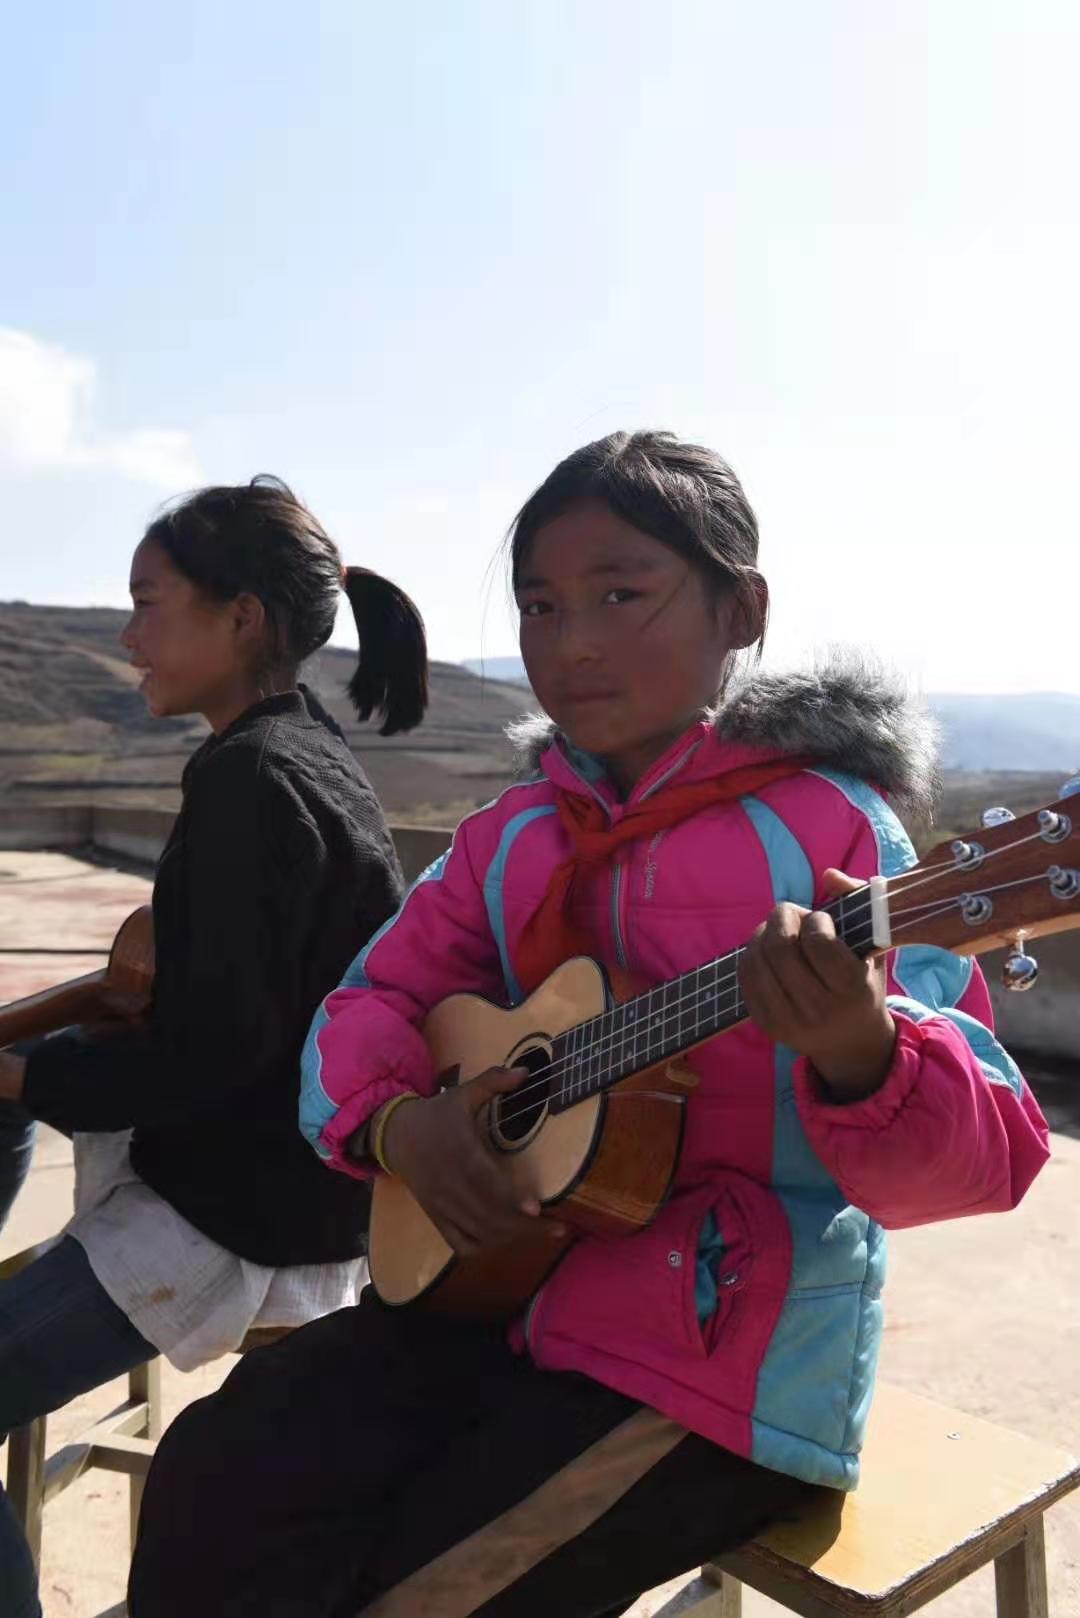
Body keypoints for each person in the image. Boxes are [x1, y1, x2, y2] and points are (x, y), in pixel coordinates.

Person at [128, 432, 1050, 1618]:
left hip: (718, 1357)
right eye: (540, 605)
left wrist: (862, 1054)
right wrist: (403, 1128)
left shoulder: (838, 837)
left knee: (429, 1585)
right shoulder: (512, 837)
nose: (573, 641)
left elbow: (991, 1156)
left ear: (742, 608)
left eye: (623, 594)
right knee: (215, 1468)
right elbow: (367, 1004)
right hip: (489, 1293)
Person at [0, 475, 427, 1618]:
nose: (130, 634)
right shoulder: (309, 755)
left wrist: (31, 1073)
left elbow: (216, 1051)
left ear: (240, 618)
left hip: (233, 1217)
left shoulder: (248, 780)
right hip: (303, 1194)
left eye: (150, 602)